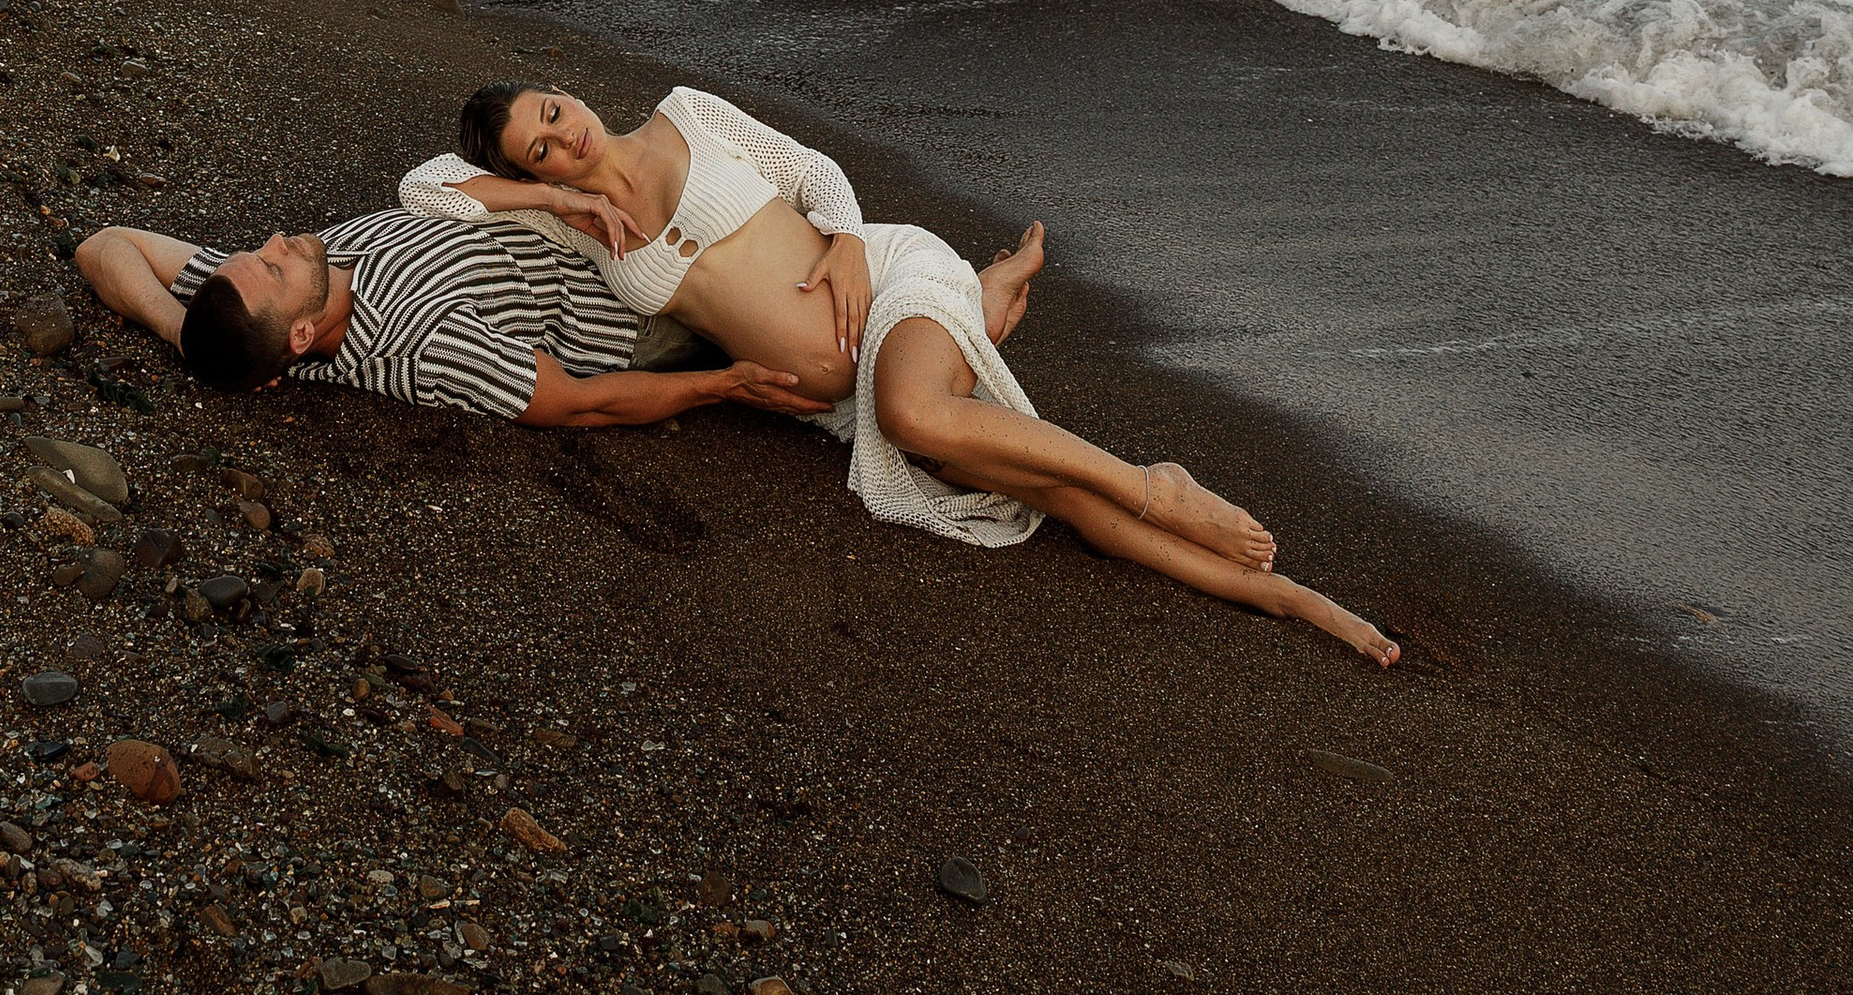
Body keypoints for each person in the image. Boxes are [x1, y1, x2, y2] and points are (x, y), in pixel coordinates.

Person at [398, 81, 1397, 667]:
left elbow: (815, 168)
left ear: (564, 89)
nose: (565, 135)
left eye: (551, 110)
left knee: (922, 414)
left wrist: (838, 242)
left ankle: (1155, 483)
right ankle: (1280, 598)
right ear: (536, 171)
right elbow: (424, 189)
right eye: (541, 149)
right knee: (1041, 492)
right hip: (842, 405)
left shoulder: (683, 119)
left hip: (885, 277)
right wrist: (557, 206)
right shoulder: (577, 229)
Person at [73, 207, 812, 432]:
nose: (272, 242)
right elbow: (576, 402)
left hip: (581, 231)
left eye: (255, 248)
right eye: (271, 266)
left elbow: (104, 244)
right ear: (301, 337)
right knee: (820, 293)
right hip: (643, 303)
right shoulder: (427, 350)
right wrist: (722, 383)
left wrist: (177, 333)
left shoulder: (260, 299)